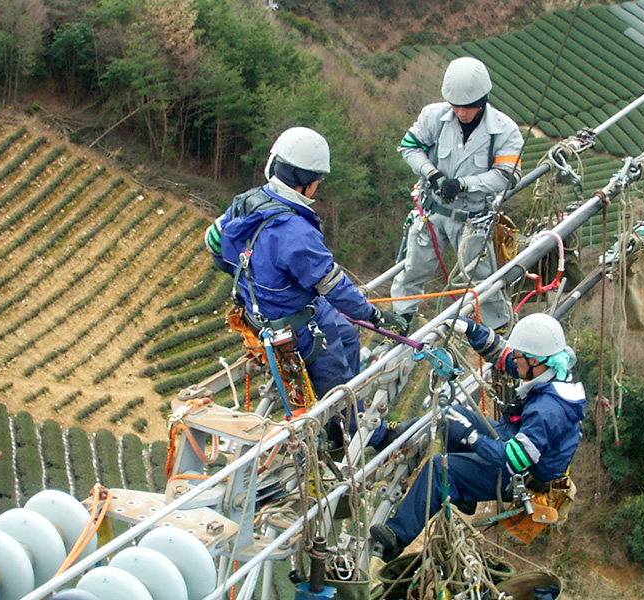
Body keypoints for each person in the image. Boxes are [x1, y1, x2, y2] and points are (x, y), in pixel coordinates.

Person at [205, 126, 408, 449]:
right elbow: (335, 287)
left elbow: (214, 241)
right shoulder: (296, 232)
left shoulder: (248, 202)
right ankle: (352, 430)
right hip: (293, 324)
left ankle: (352, 390)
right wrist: (375, 316)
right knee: (336, 382)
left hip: (270, 309)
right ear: (307, 182)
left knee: (347, 332)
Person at [370, 313, 586, 561]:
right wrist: (471, 328)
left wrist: (473, 438)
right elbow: (503, 357)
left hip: (521, 472)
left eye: (519, 355)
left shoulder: (548, 410)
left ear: (535, 359)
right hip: (513, 438)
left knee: (439, 468)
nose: (515, 359)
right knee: (451, 415)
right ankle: (462, 490)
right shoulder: (547, 371)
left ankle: (396, 539)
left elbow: (515, 460)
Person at [391, 56, 524, 332]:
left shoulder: (504, 130)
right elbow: (409, 147)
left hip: (472, 218)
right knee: (415, 268)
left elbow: (507, 175)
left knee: (479, 277)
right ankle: (400, 320)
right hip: (432, 212)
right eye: (457, 107)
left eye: (468, 108)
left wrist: (464, 183)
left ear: (483, 100)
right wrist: (432, 174)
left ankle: (497, 327)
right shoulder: (434, 118)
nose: (461, 113)